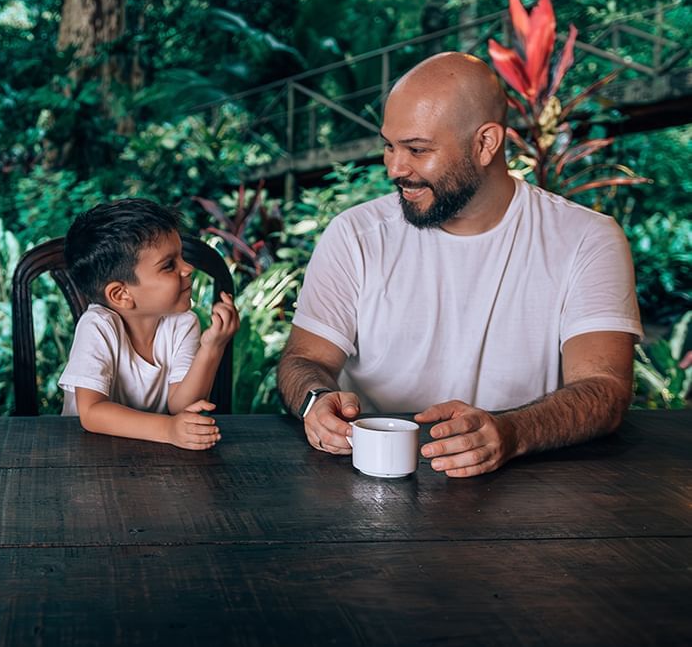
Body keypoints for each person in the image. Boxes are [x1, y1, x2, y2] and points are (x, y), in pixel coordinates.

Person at [278, 52, 641, 477]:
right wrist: (314, 400)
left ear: (486, 143)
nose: (395, 168)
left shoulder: (587, 238)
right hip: (370, 478)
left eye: (417, 149)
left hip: (526, 486)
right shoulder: (354, 234)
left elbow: (605, 389)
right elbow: (303, 358)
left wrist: (511, 432)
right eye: (389, 146)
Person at [58, 199, 240, 449]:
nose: (188, 268)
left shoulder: (183, 323)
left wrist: (213, 347)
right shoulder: (97, 326)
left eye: (182, 257)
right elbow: (91, 412)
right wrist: (168, 430)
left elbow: (183, 406)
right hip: (88, 456)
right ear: (121, 295)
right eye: (169, 265)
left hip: (152, 457)